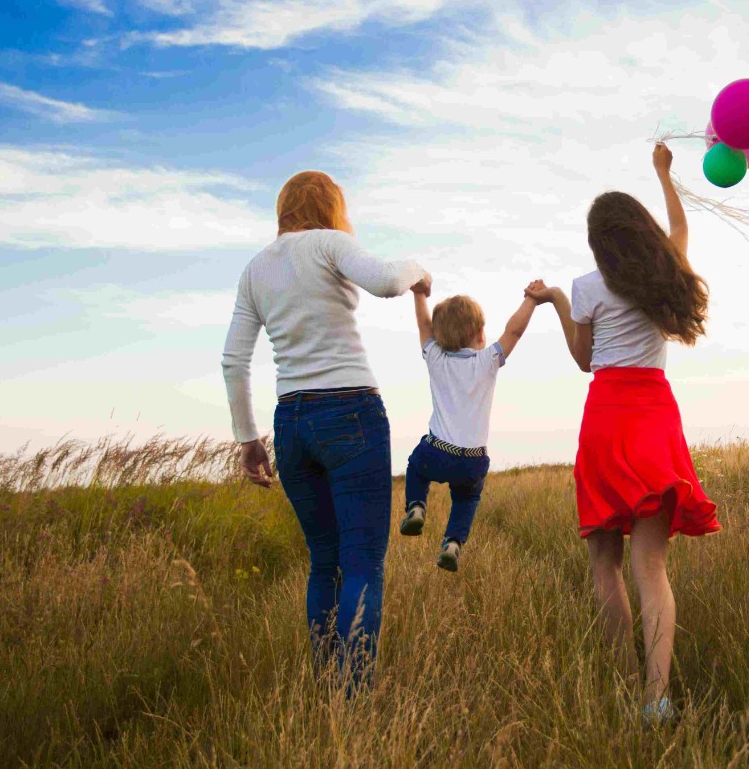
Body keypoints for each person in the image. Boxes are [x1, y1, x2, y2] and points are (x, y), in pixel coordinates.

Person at [530, 142, 720, 723]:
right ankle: (656, 698)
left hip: (608, 417)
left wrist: (559, 301)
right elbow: (681, 225)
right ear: (640, 231)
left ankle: (619, 682)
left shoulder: (587, 287)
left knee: (604, 562)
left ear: (597, 243)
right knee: (651, 567)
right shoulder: (665, 274)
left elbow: (583, 360)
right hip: (654, 414)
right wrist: (664, 174)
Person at [221, 170, 427, 693]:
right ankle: (352, 697)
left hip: (290, 425)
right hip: (350, 411)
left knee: (324, 563)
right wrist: (420, 272)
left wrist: (248, 440)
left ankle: (328, 686)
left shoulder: (254, 269)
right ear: (332, 206)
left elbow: (233, 361)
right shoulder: (330, 243)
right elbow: (386, 281)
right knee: (362, 561)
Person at [399, 279, 541, 572]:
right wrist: (531, 299)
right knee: (467, 498)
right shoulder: (487, 360)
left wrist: (419, 295)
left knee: (416, 465)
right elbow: (514, 331)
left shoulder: (435, 357)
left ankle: (416, 506)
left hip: (437, 451)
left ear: (440, 337)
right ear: (479, 335)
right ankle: (453, 542)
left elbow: (424, 326)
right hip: (474, 460)